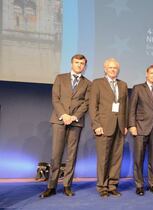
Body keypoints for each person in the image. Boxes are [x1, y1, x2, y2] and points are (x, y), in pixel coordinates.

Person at [40, 54, 91, 198]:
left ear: (85, 66)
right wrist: (64, 115)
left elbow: (86, 103)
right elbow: (55, 99)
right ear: (71, 64)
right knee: (56, 155)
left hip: (76, 122)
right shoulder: (60, 78)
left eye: (82, 63)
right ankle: (51, 186)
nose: (79, 65)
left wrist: (74, 117)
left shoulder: (88, 83)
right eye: (76, 62)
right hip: (59, 120)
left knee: (71, 155)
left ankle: (67, 185)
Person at [89, 58, 128, 197]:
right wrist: (96, 125)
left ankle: (112, 185)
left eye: (115, 68)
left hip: (119, 127)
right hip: (104, 126)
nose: (113, 70)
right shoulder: (97, 83)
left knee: (116, 158)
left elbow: (125, 107)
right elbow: (93, 107)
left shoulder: (123, 85)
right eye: (110, 67)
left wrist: (125, 125)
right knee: (104, 158)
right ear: (105, 69)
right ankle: (102, 186)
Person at [128, 64, 153, 196]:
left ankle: (152, 184)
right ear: (147, 74)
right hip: (140, 128)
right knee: (139, 159)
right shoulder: (138, 88)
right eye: (152, 73)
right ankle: (139, 185)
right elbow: (131, 108)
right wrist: (131, 125)